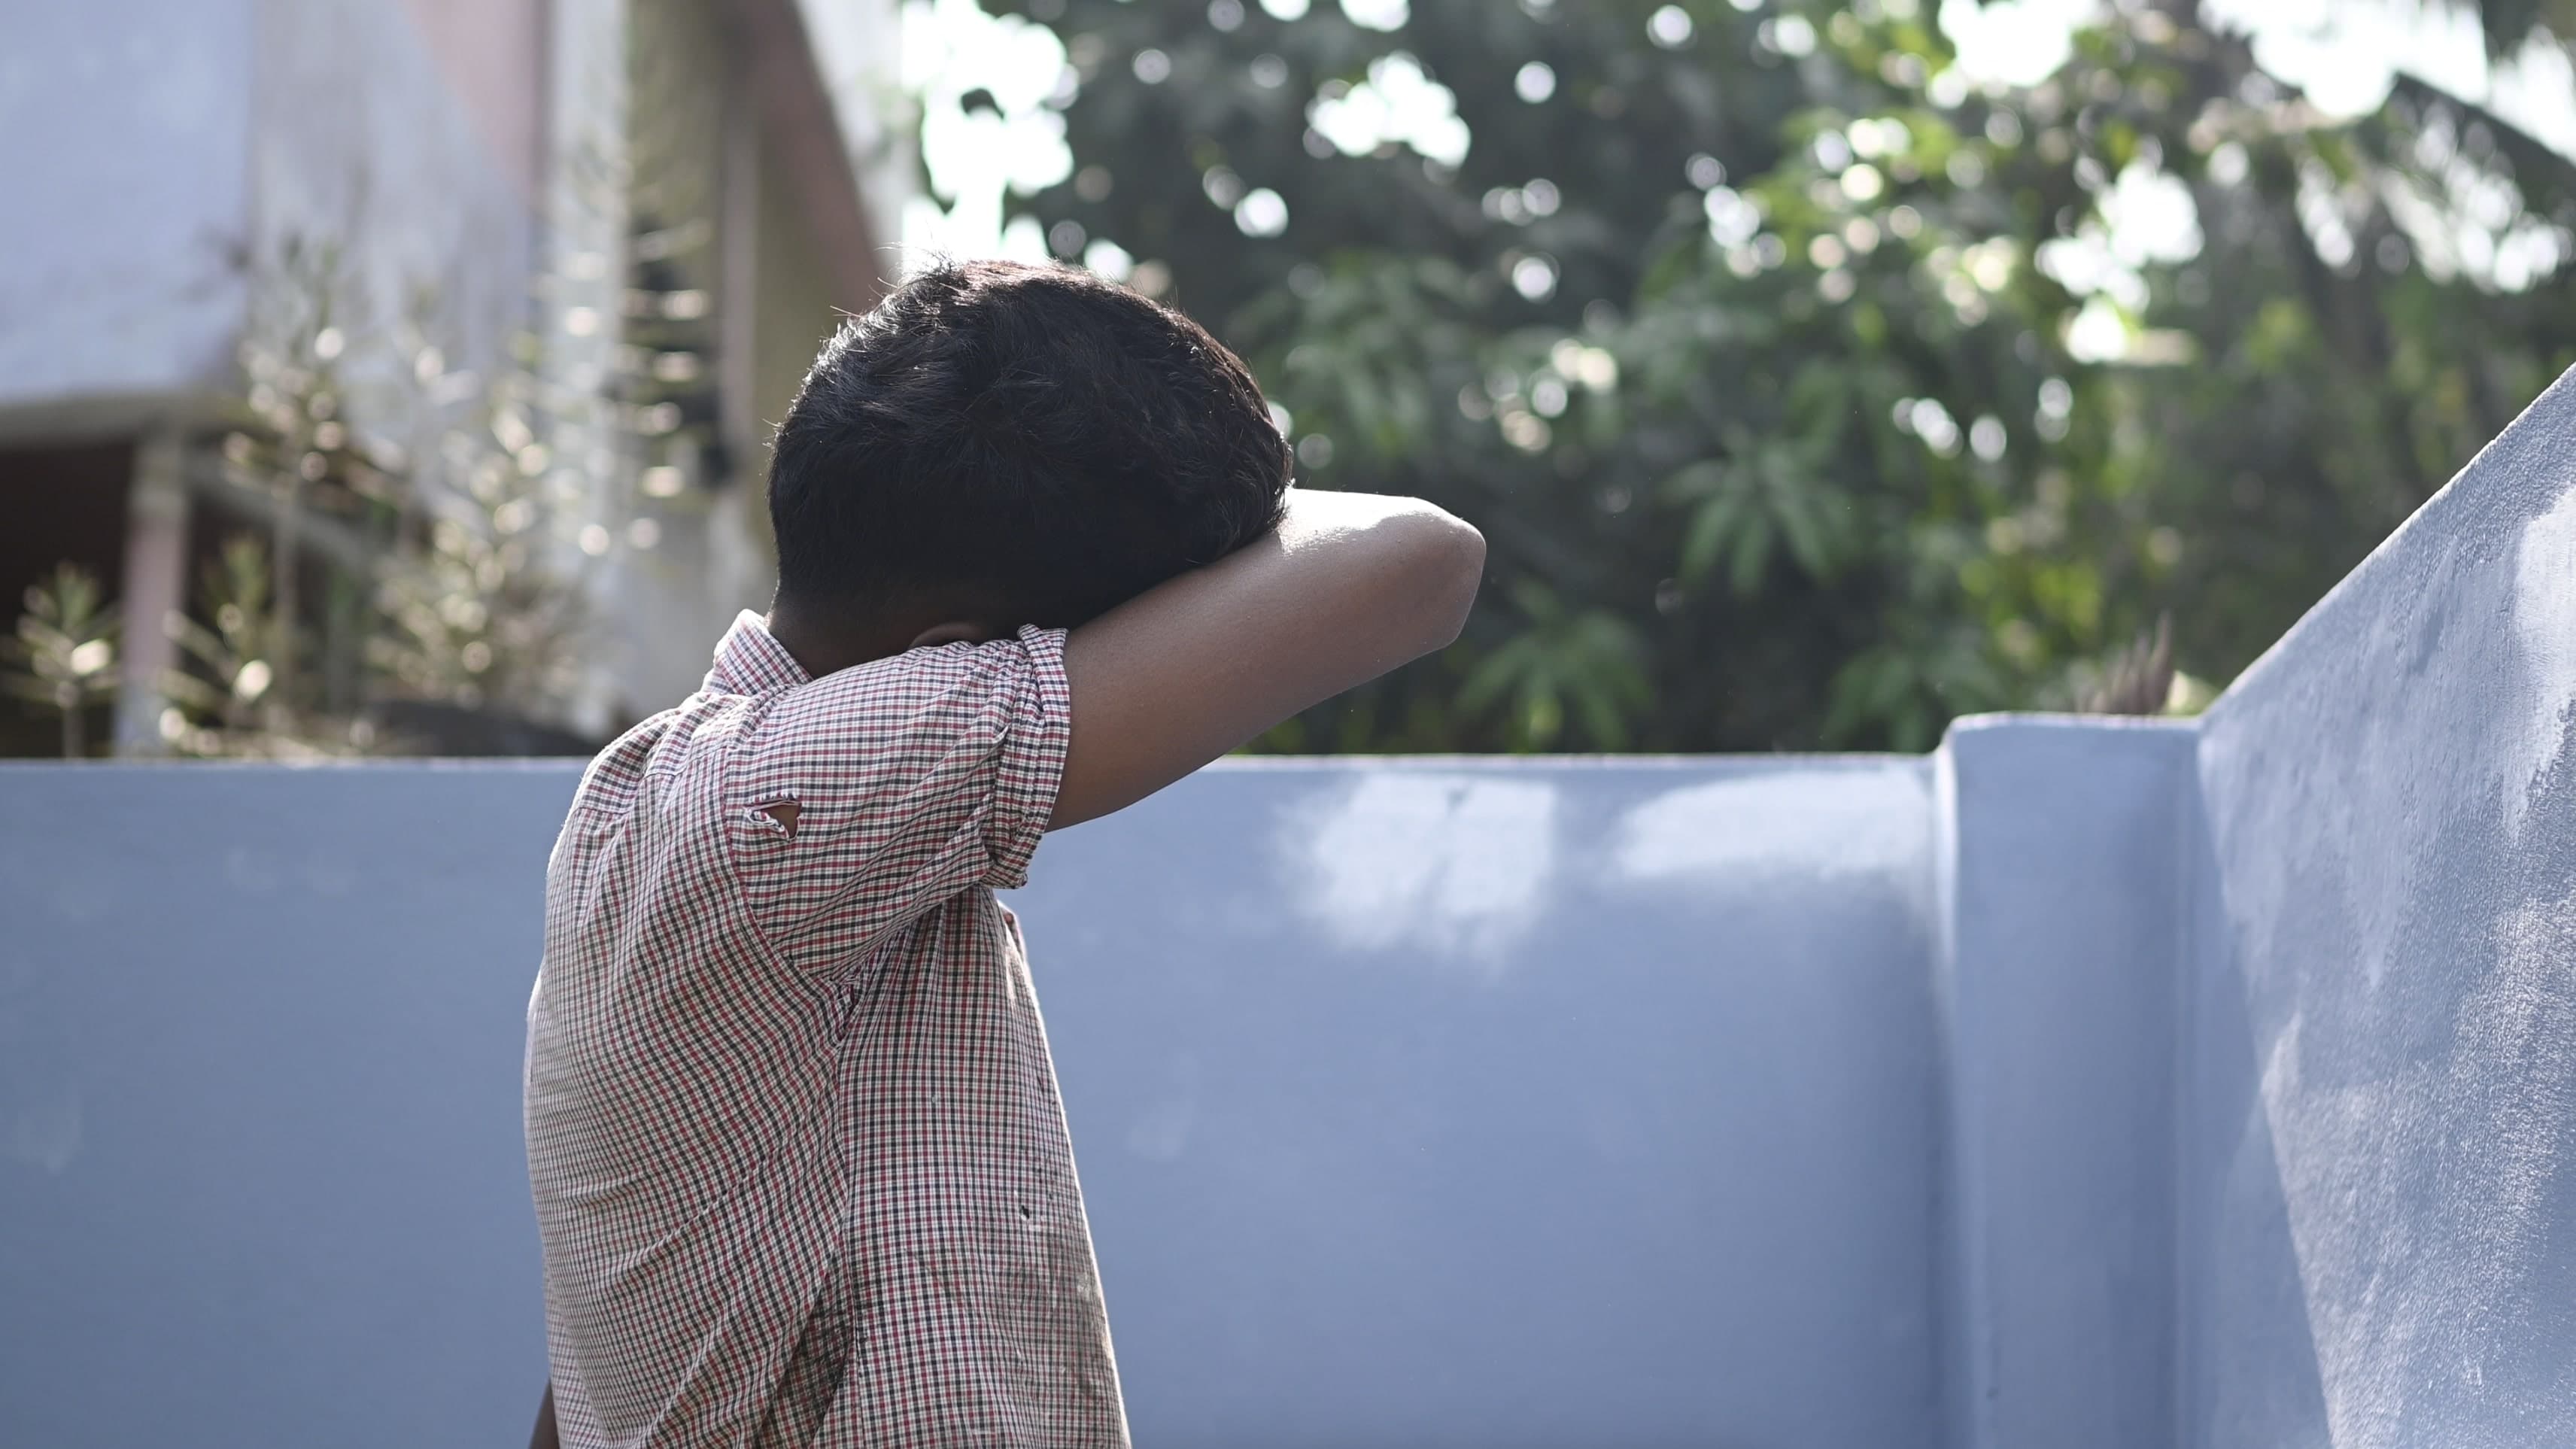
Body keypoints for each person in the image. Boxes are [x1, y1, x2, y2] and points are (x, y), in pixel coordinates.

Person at [524, 259, 1484, 1447]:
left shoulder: (652, 787)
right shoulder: (811, 779)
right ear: (947, 655)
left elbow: (605, 1329)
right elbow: (1426, 562)